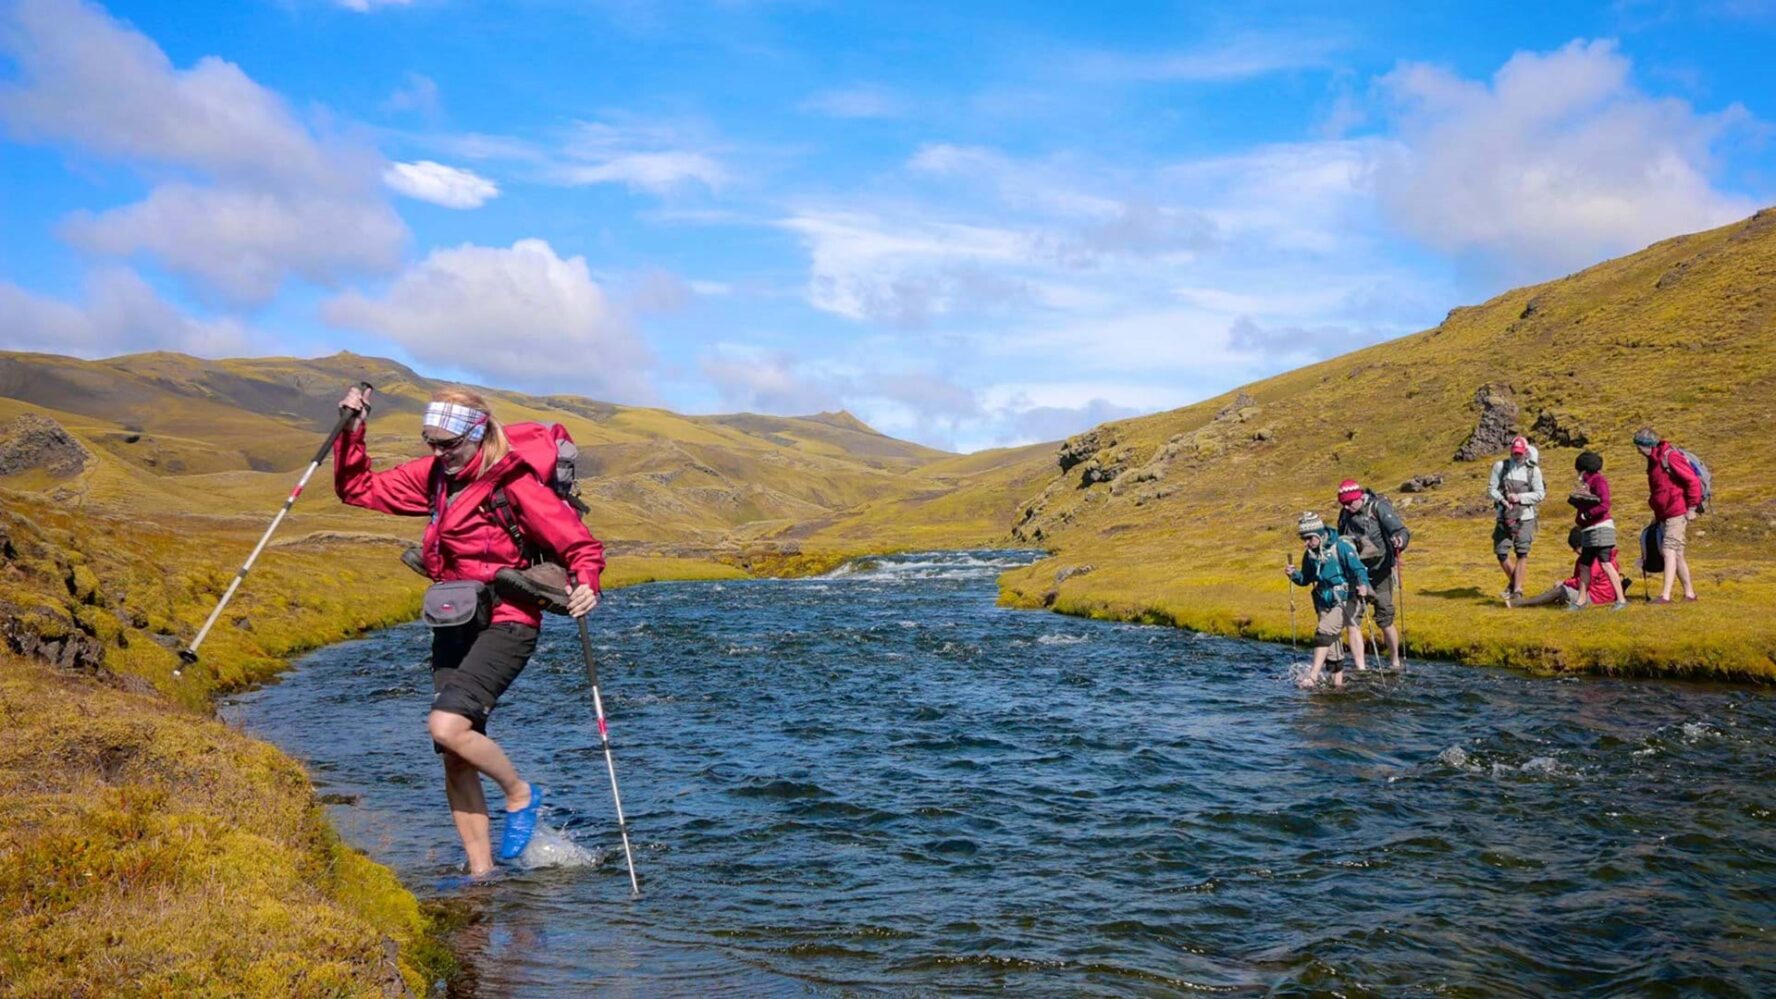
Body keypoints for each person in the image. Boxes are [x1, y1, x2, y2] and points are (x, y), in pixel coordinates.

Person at [334, 384, 605, 876]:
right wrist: (353, 430)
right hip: (455, 618)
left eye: (447, 444)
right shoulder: (436, 476)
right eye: (430, 443)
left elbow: (580, 546)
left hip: (509, 620)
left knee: (446, 726)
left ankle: (520, 793)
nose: (438, 454)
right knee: (454, 754)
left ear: (476, 435)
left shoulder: (516, 483)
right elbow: (358, 489)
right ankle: (482, 877)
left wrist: (587, 584)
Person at [1284, 511, 1370, 688]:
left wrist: (1363, 585)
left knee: (1323, 631)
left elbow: (1359, 569)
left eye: (1309, 538)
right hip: (1323, 601)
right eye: (1303, 539)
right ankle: (1337, 685)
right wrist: (1294, 575)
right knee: (1332, 646)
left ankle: (1313, 677)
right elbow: (1306, 579)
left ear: (1318, 533)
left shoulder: (1341, 547)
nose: (1306, 543)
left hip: (1344, 599)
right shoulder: (1309, 554)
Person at [1334, 479, 1409, 670]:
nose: (1348, 507)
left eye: (1350, 503)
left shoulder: (1378, 508)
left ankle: (1395, 661)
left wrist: (1400, 540)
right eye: (1344, 504)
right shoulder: (1344, 515)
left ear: (1359, 497)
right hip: (1356, 575)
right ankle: (1361, 668)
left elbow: (1400, 530)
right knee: (1352, 619)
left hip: (1381, 573)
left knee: (1385, 619)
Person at [1633, 428, 1702, 604]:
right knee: (1677, 554)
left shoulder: (1670, 457)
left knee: (1668, 550)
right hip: (1664, 513)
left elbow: (1692, 481)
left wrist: (1692, 507)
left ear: (1649, 445)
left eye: (1640, 446)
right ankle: (1690, 594)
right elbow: (1659, 489)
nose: (1638, 451)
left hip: (1677, 511)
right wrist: (1657, 514)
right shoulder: (1653, 461)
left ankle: (1665, 596)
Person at [1566, 450, 1628, 611]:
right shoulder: (1588, 483)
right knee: (1585, 565)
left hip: (1601, 528)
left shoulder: (1599, 481)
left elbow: (1604, 504)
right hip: (1589, 530)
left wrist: (1587, 514)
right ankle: (1580, 601)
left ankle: (1621, 600)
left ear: (1583, 469)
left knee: (1605, 563)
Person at [1487, 435, 1545, 602]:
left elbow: (1540, 494)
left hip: (1525, 516)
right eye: (1514, 452)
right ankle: (1514, 583)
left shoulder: (1533, 470)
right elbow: (1492, 489)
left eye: (1520, 453)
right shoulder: (1500, 466)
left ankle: (1517, 590)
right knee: (1501, 552)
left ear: (1526, 452)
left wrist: (1519, 498)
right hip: (1503, 515)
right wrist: (1502, 500)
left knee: (1522, 551)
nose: (1516, 456)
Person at [1508, 527, 1626, 608]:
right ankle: (1535, 601)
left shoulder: (1596, 559)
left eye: (1576, 548)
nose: (1575, 551)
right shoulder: (1587, 558)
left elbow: (1584, 581)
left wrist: (1565, 583)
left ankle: (1522, 604)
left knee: (1561, 590)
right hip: (1594, 593)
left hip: (1598, 597)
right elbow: (1577, 578)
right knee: (1560, 590)